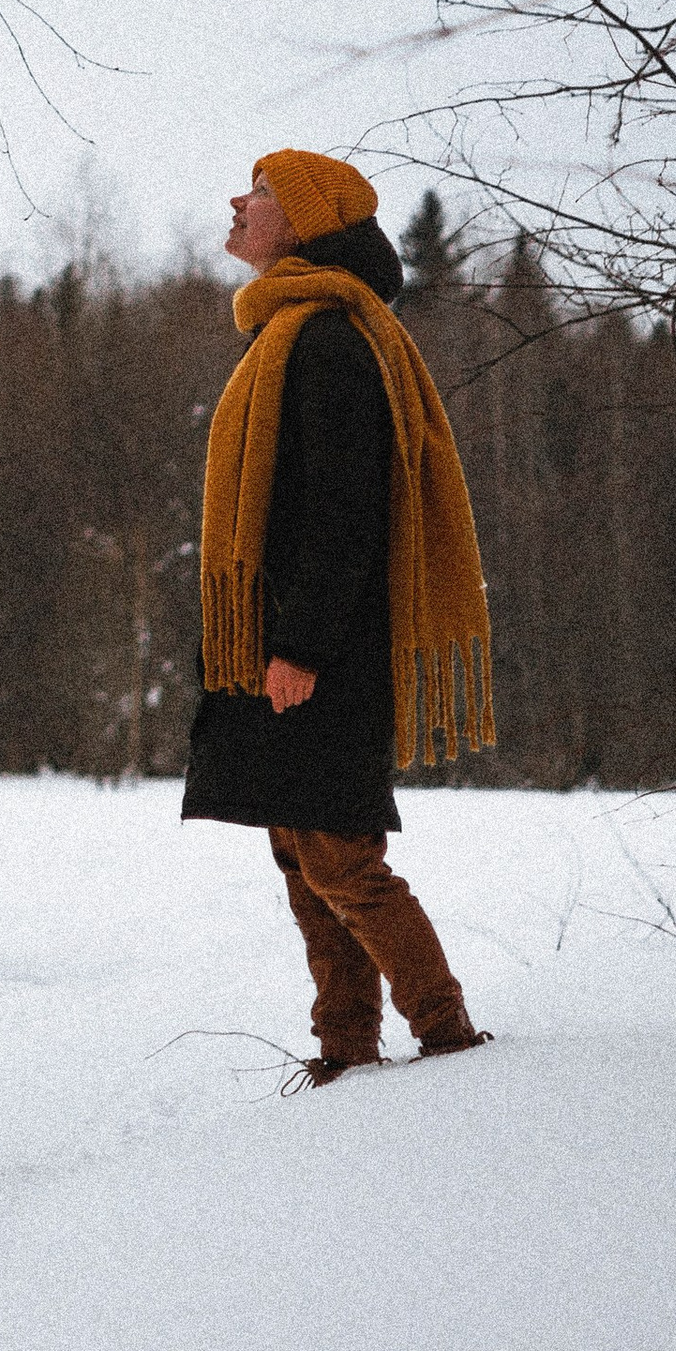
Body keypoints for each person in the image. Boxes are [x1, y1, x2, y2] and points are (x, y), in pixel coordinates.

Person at [183, 146, 496, 1086]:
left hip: (319, 646)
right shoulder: (287, 330)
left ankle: (446, 1038)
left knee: (337, 855)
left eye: (264, 193)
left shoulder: (328, 339)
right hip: (285, 639)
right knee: (303, 852)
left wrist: (302, 645)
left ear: (308, 223)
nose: (239, 201)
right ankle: (346, 1048)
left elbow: (346, 507)